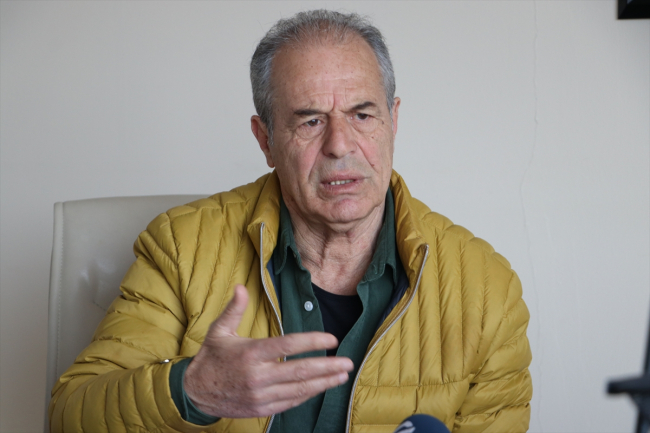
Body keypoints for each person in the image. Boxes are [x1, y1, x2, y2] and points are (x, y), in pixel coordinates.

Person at [49, 10, 532, 433]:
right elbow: (70, 415)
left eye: (362, 115)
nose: (340, 145)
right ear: (265, 140)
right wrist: (192, 391)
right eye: (310, 121)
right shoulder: (181, 248)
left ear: (393, 120)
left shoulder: (487, 291)